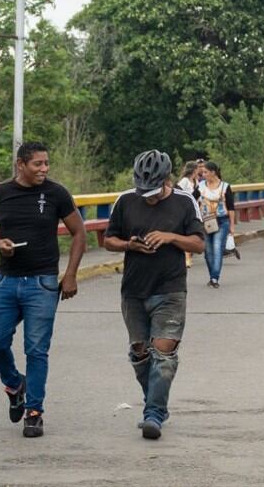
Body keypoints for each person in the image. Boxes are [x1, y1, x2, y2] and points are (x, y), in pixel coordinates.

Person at [0, 141, 87, 438]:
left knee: (37, 349)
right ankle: (15, 384)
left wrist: (71, 274)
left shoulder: (56, 193)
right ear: (20, 164)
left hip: (43, 283)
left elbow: (79, 232)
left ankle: (34, 412)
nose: (44, 169)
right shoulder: (0, 193)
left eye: (47, 163)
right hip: (6, 281)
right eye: (38, 164)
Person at [104, 149, 206, 440]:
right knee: (140, 352)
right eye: (142, 191)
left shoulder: (185, 202)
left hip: (170, 288)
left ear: (167, 180)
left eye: (153, 191)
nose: (147, 197)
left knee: (163, 353)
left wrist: (170, 237)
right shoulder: (125, 200)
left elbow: (199, 245)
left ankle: (153, 414)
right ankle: (156, 403)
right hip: (133, 290)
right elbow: (109, 240)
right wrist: (130, 245)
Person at [198, 162, 237, 287]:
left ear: (213, 172)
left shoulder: (225, 187)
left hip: (221, 221)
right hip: (206, 221)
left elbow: (231, 207)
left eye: (205, 172)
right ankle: (212, 275)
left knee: (217, 248)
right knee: (208, 251)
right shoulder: (200, 186)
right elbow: (192, 200)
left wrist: (232, 225)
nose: (203, 175)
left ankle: (215, 278)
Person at [177, 161, 200, 268]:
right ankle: (187, 258)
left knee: (193, 233)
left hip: (196, 209)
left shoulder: (196, 181)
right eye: (197, 169)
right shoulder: (185, 181)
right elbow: (179, 192)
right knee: (187, 234)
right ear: (193, 170)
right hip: (185, 209)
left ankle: (188, 255)